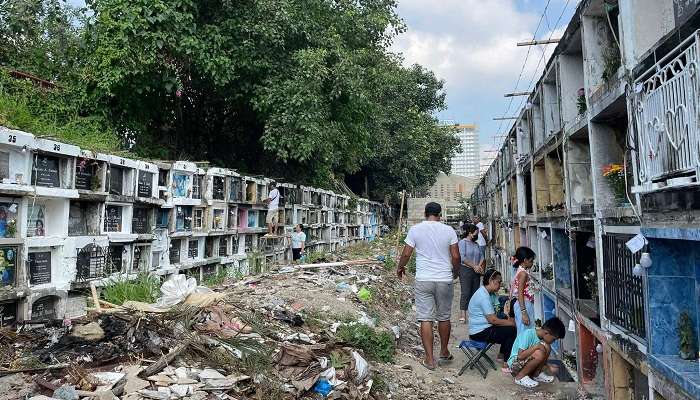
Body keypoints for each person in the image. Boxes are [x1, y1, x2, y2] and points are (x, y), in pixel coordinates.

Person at [397, 202, 460, 371]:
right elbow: (455, 256)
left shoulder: (415, 230)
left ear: (425, 213)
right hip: (444, 279)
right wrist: (455, 272)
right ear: (440, 214)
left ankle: (430, 359)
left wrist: (400, 267)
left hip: (424, 279)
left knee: (425, 318)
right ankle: (444, 351)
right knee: (444, 316)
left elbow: (406, 253)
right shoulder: (449, 231)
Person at [468, 269, 517, 369]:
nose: (499, 285)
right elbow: (493, 320)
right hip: (479, 333)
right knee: (511, 330)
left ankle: (502, 355)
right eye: (498, 282)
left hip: (481, 329)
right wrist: (511, 323)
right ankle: (507, 362)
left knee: (505, 324)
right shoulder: (483, 296)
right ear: (490, 280)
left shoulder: (487, 293)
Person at [508, 317, 566, 388]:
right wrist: (536, 346)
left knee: (547, 347)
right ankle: (519, 378)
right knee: (539, 353)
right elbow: (520, 356)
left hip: (524, 363)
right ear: (547, 332)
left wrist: (548, 366)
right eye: (554, 339)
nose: (553, 341)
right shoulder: (528, 334)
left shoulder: (541, 338)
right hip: (514, 365)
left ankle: (536, 374)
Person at [458, 223, 484, 324]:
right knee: (465, 292)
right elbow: (463, 258)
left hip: (476, 271)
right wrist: (474, 266)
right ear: (470, 233)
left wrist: (479, 266)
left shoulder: (476, 244)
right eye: (476, 233)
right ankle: (463, 314)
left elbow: (482, 257)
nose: (477, 235)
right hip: (466, 270)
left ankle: (473, 314)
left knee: (474, 293)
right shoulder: (462, 243)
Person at [511, 246, 537, 334]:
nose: (532, 263)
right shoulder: (523, 274)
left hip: (523, 304)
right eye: (531, 261)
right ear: (525, 260)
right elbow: (520, 293)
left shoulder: (520, 270)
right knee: (525, 333)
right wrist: (524, 312)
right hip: (524, 304)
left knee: (525, 332)